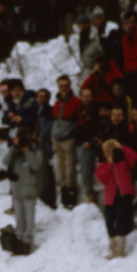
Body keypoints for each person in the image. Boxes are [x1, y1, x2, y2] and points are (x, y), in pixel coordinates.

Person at [96, 139, 137, 258]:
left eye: (111, 150)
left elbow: (134, 157)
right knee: (109, 221)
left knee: (121, 220)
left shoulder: (123, 161)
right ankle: (112, 248)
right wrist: (110, 164)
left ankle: (119, 250)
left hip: (123, 194)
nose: (108, 152)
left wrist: (121, 147)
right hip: (110, 196)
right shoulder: (103, 163)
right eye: (106, 151)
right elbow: (101, 178)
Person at [5, 131, 42, 255]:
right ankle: (18, 242)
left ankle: (26, 243)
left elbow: (36, 166)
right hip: (17, 190)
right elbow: (5, 162)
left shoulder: (36, 151)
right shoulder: (15, 152)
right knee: (19, 218)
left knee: (29, 219)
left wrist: (27, 151)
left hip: (29, 190)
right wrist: (13, 148)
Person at [51, 74, 82, 208]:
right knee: (60, 166)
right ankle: (63, 193)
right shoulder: (57, 102)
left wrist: (74, 133)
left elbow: (80, 119)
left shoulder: (76, 102)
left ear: (70, 86)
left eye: (66, 86)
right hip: (57, 138)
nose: (64, 88)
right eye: (61, 86)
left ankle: (71, 194)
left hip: (68, 138)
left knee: (70, 167)